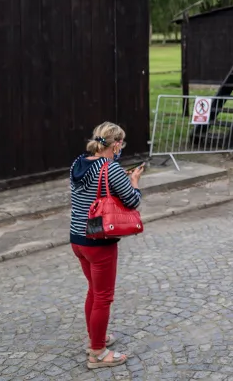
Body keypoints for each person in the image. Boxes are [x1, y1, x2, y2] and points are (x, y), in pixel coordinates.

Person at [69, 122, 143, 370]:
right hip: (99, 240)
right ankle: (97, 353)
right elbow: (132, 201)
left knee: (93, 291)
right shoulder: (110, 168)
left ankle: (95, 339)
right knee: (103, 296)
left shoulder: (78, 163)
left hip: (78, 239)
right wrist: (134, 180)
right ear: (117, 144)